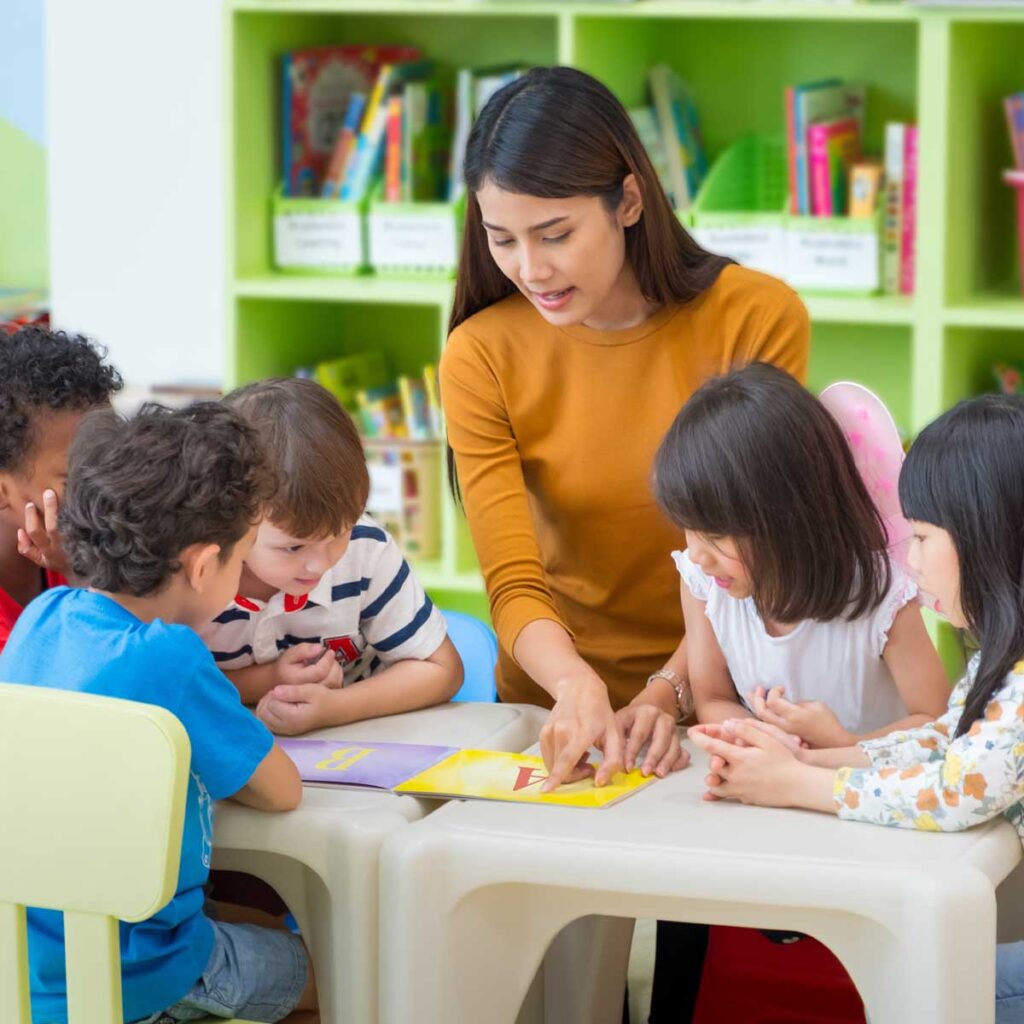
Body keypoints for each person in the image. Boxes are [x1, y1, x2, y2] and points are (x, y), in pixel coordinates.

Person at [439, 63, 809, 1021]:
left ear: (630, 200)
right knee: (555, 987)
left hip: (723, 694)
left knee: (694, 981)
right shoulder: (481, 352)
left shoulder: (754, 316)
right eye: (502, 238)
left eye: (556, 233)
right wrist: (576, 688)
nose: (530, 267)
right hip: (557, 706)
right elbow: (512, 579)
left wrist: (670, 689)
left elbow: (750, 558)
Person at [686, 393, 1024, 1024]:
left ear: (992, 539)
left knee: (923, 996)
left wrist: (798, 785)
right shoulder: (1000, 663)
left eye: (921, 536)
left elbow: (955, 792)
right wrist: (808, 758)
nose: (910, 560)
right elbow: (945, 740)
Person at [0, 402, 318, 1024]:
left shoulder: (42, 617)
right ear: (202, 565)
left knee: (247, 922)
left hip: (27, 968)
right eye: (240, 558)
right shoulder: (168, 656)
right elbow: (282, 791)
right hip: (139, 975)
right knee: (339, 968)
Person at [646, 362, 948, 754]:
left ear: (788, 517)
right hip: (777, 784)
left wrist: (842, 746)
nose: (698, 554)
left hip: (863, 785)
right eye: (689, 528)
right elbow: (713, 699)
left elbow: (936, 724)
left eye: (716, 534)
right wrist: (771, 742)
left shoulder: (881, 596)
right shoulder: (705, 585)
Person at [202, 377, 463, 735]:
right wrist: (267, 680)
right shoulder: (197, 573)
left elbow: (442, 669)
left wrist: (336, 708)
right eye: (294, 547)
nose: (321, 564)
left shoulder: (365, 548)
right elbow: (162, 684)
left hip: (358, 743)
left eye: (340, 533)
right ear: (232, 517)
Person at [0, 325, 122, 651]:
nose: (110, 487)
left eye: (113, 462)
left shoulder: (81, 540)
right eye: (77, 478)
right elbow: (96, 664)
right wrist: (79, 573)